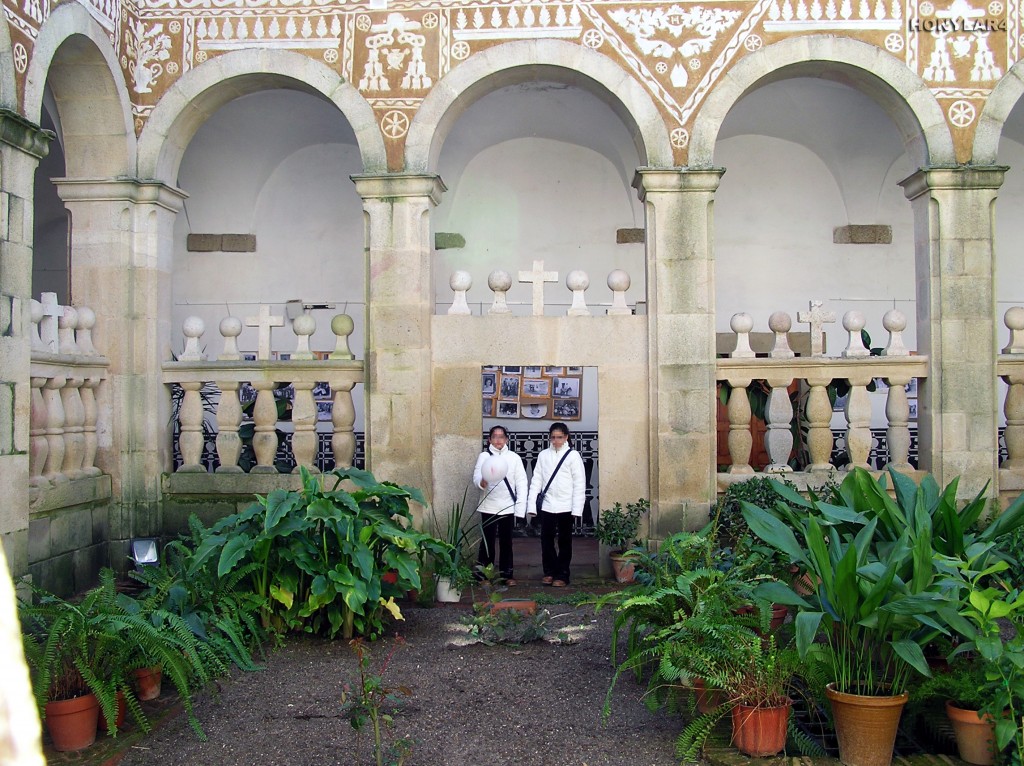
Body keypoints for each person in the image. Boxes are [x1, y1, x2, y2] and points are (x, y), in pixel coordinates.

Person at [527, 422, 585, 587]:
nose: (556, 440)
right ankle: (549, 572)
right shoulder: (544, 455)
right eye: (553, 437)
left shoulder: (573, 456)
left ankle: (563, 574)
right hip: (548, 505)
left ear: (566, 437)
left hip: (566, 505)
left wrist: (577, 508)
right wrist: (532, 506)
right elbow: (536, 480)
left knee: (565, 541)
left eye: (559, 437)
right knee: (546, 540)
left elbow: (579, 483)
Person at [473, 425, 528, 586]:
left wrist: (520, 508)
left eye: (501, 436)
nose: (498, 440)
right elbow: (476, 477)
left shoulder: (514, 458)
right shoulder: (484, 456)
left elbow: (521, 482)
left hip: (507, 506)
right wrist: (482, 482)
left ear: (506, 439)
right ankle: (484, 575)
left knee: (506, 541)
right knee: (487, 542)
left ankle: (507, 574)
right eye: (495, 436)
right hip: (488, 506)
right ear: (489, 439)